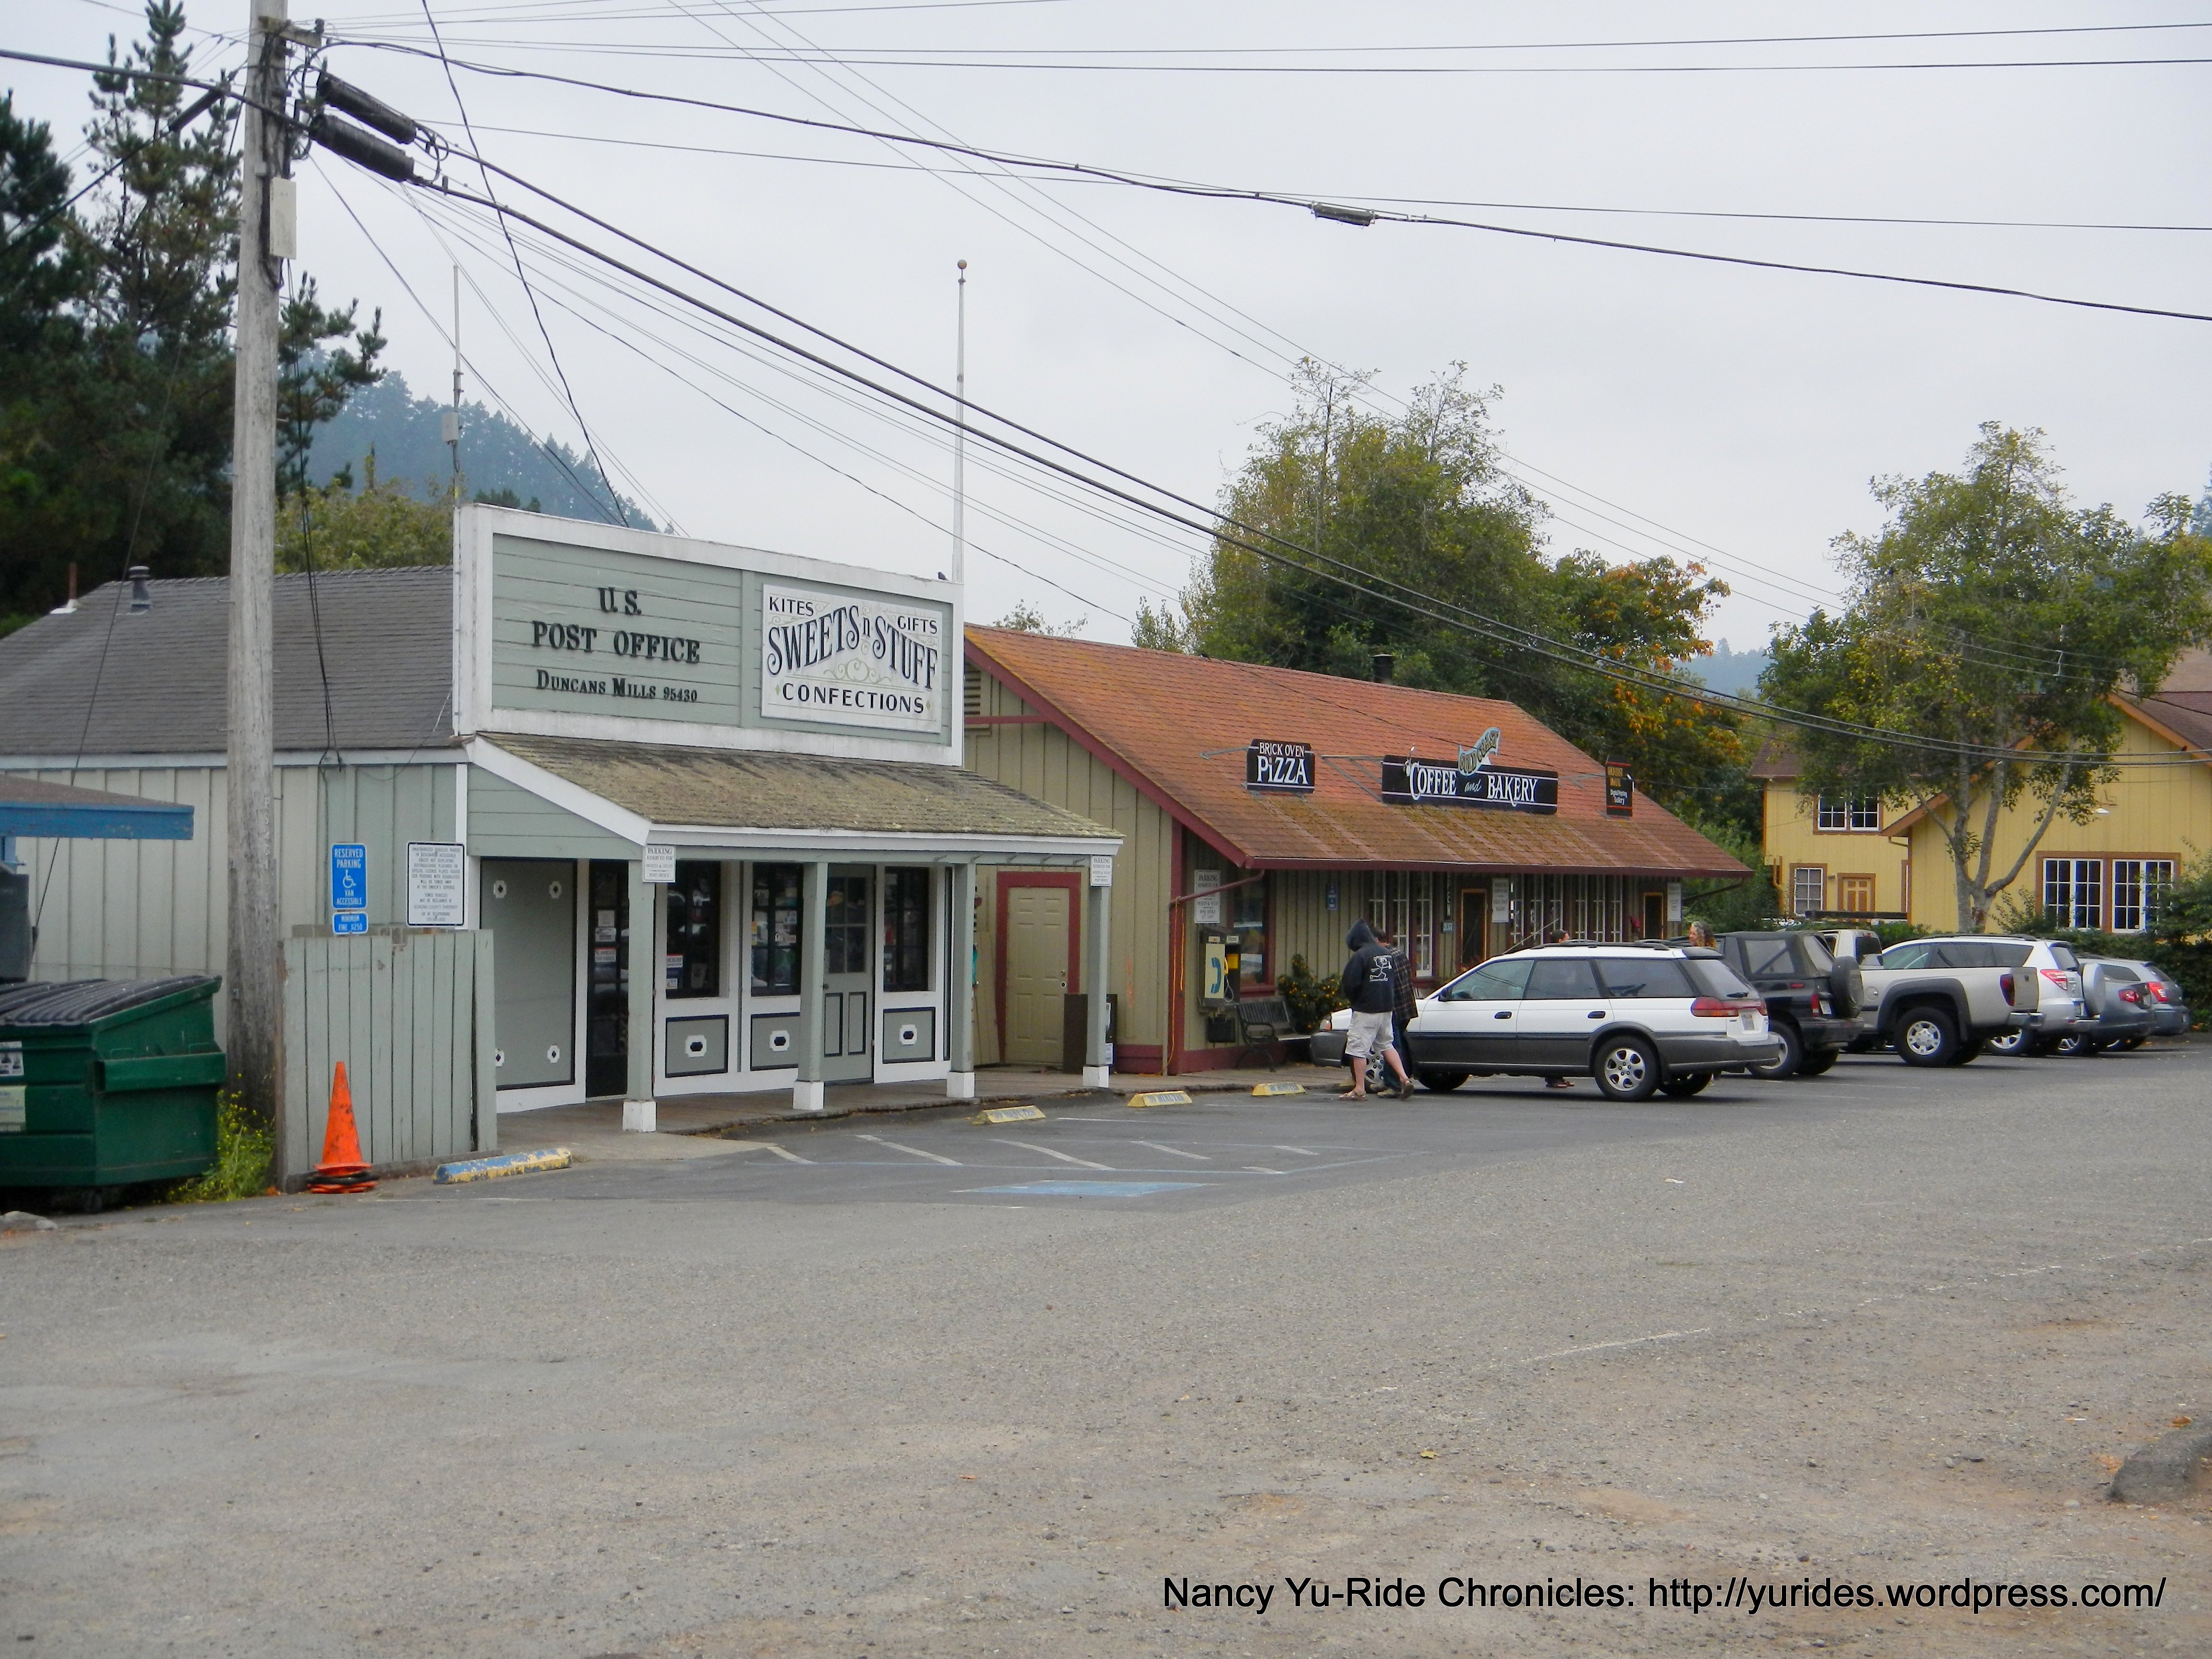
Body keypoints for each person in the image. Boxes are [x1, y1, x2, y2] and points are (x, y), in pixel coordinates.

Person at [1337, 919, 1413, 1100]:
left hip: (1366, 1009)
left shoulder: (1361, 956)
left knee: (1358, 1049)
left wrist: (1354, 999)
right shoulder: (1386, 954)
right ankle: (1404, 1079)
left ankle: (1359, 1088)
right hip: (1386, 1009)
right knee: (1387, 1044)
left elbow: (1350, 984)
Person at [1542, 926, 1575, 1089]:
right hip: (1552, 1005)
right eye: (1567, 940)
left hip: (1560, 1004)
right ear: (1560, 941)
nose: (1569, 942)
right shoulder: (1554, 959)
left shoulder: (1558, 957)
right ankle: (1553, 1078)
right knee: (1552, 1045)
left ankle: (1559, 1077)